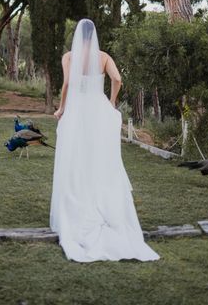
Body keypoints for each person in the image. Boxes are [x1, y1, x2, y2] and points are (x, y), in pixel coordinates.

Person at [50, 19, 159, 262]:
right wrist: (110, 102)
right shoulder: (104, 57)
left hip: (78, 111)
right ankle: (103, 206)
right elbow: (118, 79)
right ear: (95, 35)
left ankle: (76, 207)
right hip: (98, 110)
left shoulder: (69, 57)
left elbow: (67, 83)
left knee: (75, 159)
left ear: (78, 35)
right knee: (101, 160)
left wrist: (61, 109)